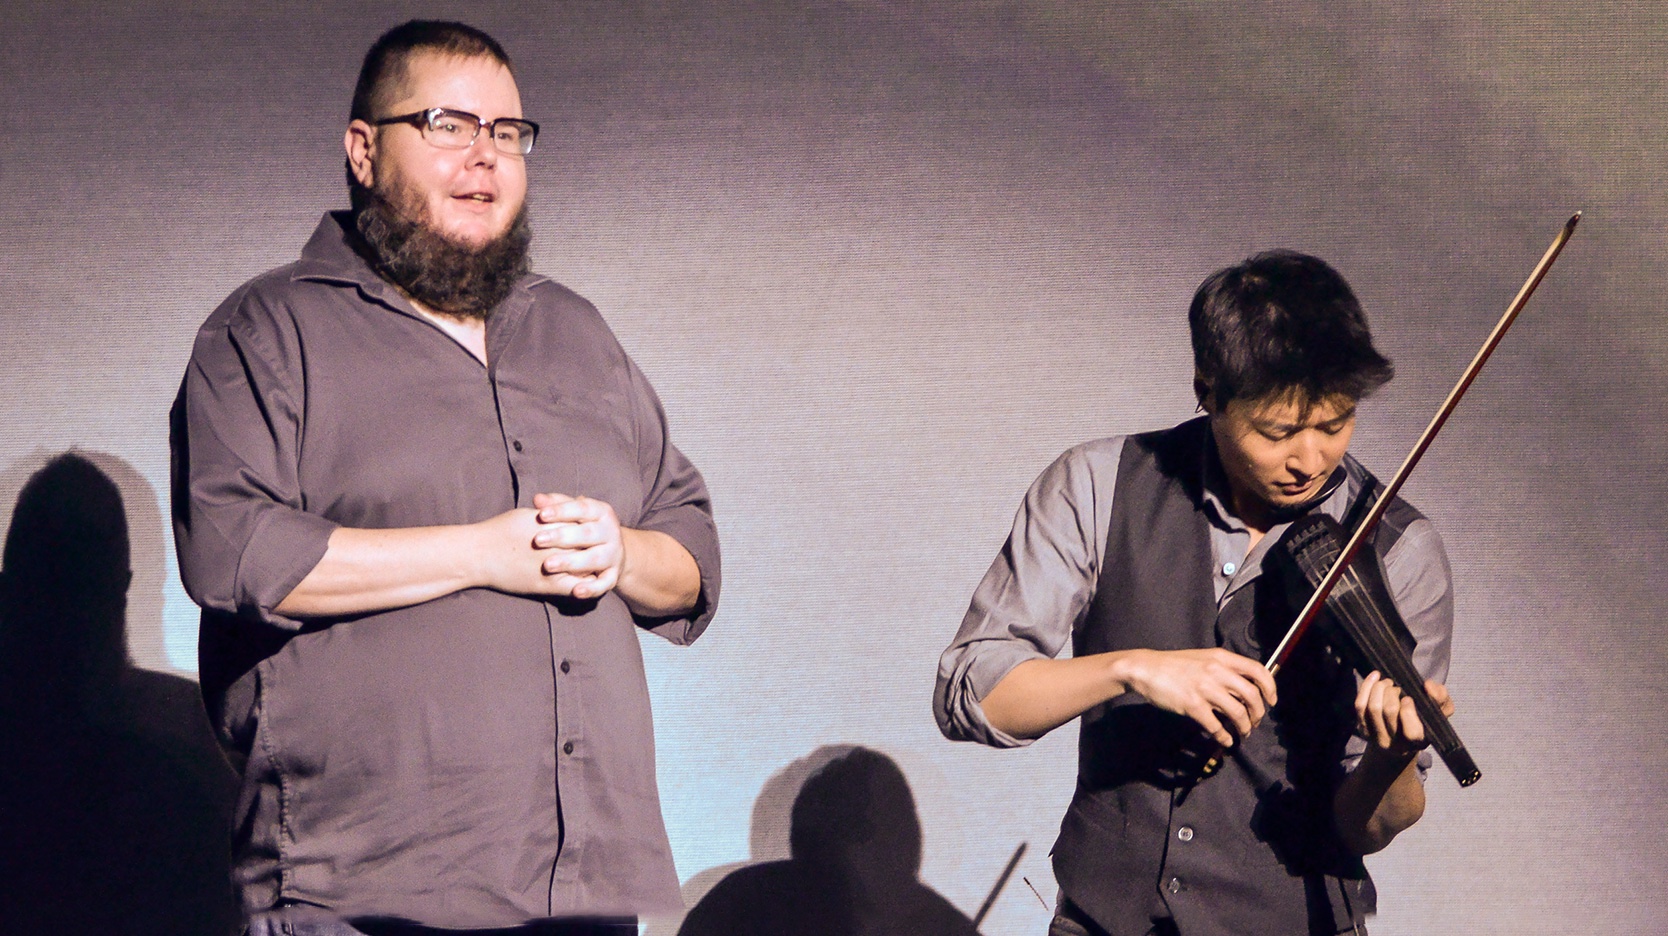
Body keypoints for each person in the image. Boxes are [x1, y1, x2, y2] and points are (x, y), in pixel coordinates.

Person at [171, 20, 720, 935]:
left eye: (508, 134)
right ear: (363, 149)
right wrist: (483, 553)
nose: (486, 158)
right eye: (449, 126)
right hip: (362, 890)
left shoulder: (577, 333)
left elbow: (693, 547)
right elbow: (233, 554)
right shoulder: (265, 331)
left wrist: (622, 553)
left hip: (584, 892)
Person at [934, 251, 1456, 936]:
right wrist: (1130, 668)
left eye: (1335, 424)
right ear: (1207, 391)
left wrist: (1392, 759)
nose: (1310, 459)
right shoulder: (1096, 484)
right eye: (1279, 432)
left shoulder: (1398, 548)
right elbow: (970, 694)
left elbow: (1368, 827)